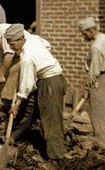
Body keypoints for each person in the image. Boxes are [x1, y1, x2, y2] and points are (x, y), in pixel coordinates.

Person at [7, 24, 67, 160]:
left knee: (51, 120)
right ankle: (14, 137)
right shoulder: (32, 38)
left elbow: (26, 86)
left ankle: (57, 157)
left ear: (21, 39)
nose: (11, 48)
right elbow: (47, 45)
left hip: (50, 82)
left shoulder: (27, 57)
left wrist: (16, 104)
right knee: (30, 110)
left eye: (12, 44)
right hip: (48, 80)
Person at [77, 17, 105, 148]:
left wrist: (87, 88)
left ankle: (103, 144)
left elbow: (93, 72)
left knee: (97, 114)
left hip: (99, 80)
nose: (84, 36)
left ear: (90, 30)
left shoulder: (96, 47)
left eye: (84, 33)